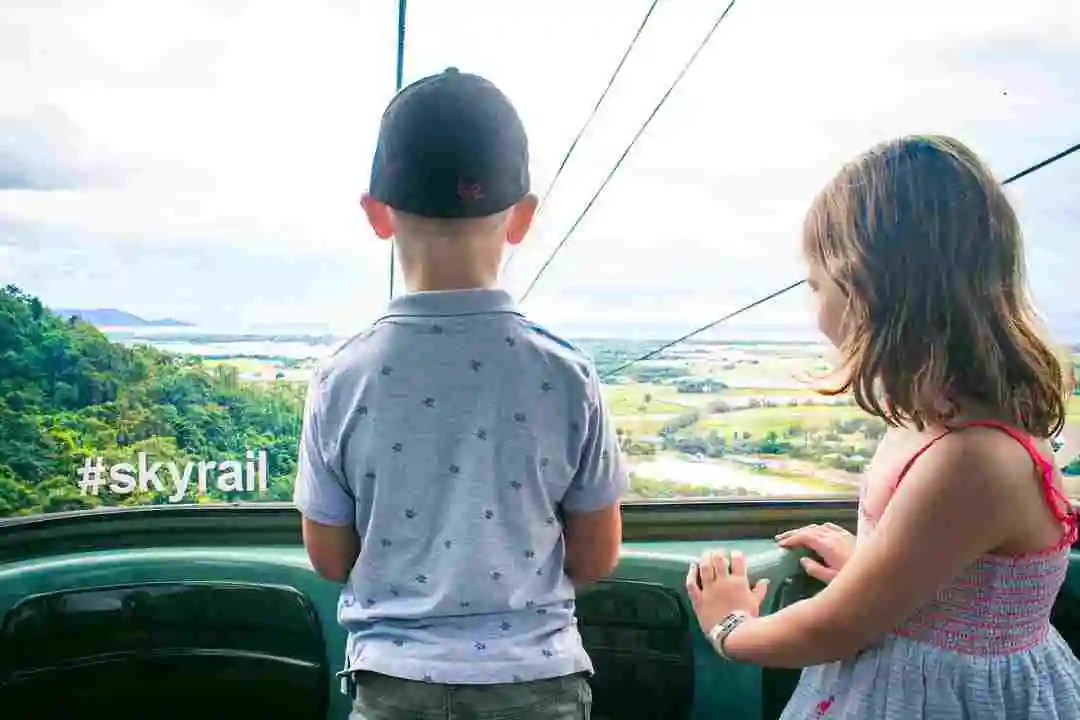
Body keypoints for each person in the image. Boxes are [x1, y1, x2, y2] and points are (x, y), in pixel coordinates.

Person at [686, 134, 1080, 718]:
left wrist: (729, 626)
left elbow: (835, 629)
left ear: (868, 289)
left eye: (816, 287)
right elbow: (954, 574)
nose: (815, 311)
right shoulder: (935, 425)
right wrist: (871, 568)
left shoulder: (971, 457)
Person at [292, 67, 627, 719]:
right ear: (524, 217)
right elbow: (597, 553)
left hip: (396, 686)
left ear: (376, 215)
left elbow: (330, 557)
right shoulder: (567, 374)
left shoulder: (342, 377)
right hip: (539, 682)